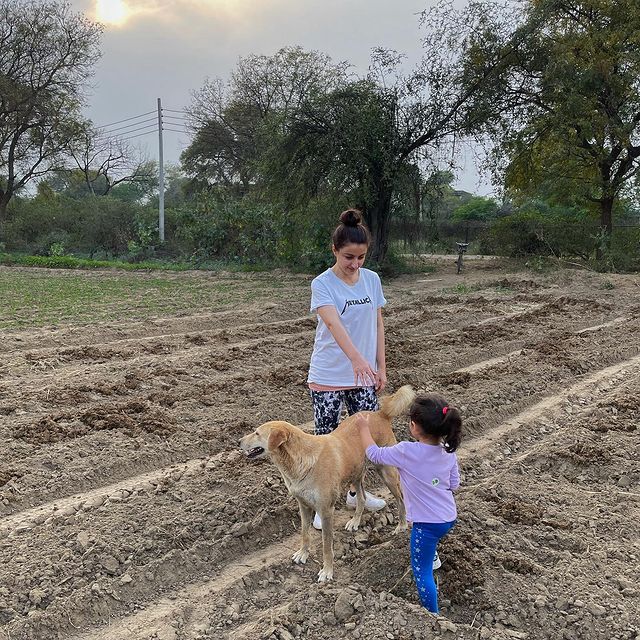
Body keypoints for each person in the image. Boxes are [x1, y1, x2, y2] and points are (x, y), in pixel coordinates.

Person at [308, 208, 387, 530]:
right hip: (329, 374)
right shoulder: (322, 284)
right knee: (326, 442)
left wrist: (380, 365)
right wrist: (356, 359)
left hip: (364, 375)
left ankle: (357, 493)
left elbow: (378, 322)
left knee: (362, 439)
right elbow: (333, 323)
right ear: (335, 251)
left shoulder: (372, 280)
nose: (355, 265)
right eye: (348, 258)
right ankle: (321, 502)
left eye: (361, 257)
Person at [355, 393, 462, 614]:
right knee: (430, 541)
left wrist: (364, 429)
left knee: (421, 572)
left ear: (413, 426)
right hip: (448, 517)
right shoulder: (448, 453)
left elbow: (374, 454)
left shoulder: (406, 451)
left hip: (427, 524)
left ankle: (432, 615)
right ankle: (432, 555)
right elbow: (454, 485)